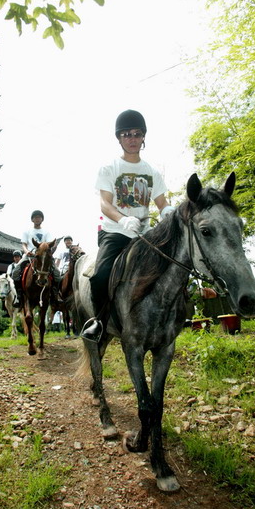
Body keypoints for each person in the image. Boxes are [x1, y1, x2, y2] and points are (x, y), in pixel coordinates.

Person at [81, 109, 173, 342]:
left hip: (144, 235)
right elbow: (104, 204)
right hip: (115, 232)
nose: (131, 139)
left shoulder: (152, 172)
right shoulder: (109, 168)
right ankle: (98, 322)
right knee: (101, 275)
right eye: (126, 134)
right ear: (119, 138)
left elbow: (162, 203)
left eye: (136, 134)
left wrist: (168, 211)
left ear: (144, 137)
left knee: (173, 265)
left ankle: (171, 317)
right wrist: (123, 219)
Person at [12, 210, 60, 307]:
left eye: (39, 217)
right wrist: (26, 252)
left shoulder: (46, 232)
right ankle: (19, 295)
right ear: (32, 219)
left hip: (44, 255)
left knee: (57, 273)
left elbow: (50, 244)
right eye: (35, 217)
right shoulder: (27, 231)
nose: (37, 219)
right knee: (16, 272)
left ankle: (55, 295)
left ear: (42, 219)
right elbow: (24, 244)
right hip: (30, 254)